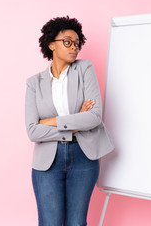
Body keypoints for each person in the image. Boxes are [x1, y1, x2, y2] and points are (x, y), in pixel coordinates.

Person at [25, 16, 114, 226]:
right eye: (67, 41)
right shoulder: (34, 83)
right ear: (51, 44)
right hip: (47, 161)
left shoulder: (84, 69)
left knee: (76, 222)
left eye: (77, 43)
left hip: (83, 157)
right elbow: (32, 131)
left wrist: (49, 121)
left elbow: (93, 117)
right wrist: (73, 126)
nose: (74, 47)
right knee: (49, 222)